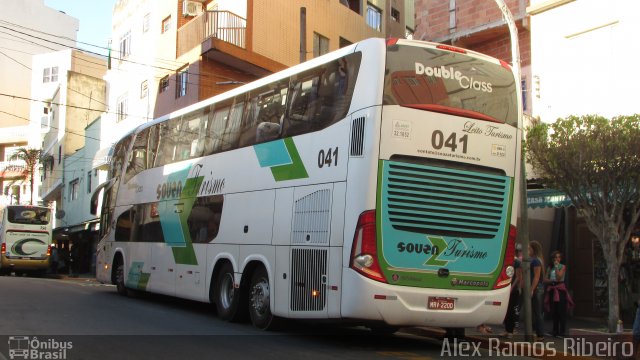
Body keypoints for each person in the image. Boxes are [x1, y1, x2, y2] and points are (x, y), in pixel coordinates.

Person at [544, 250, 573, 337]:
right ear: (553, 258)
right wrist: (552, 280)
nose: (557, 259)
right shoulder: (550, 268)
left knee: (561, 311)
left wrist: (556, 267)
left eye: (559, 257)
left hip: (560, 289)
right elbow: (545, 279)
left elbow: (559, 277)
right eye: (556, 257)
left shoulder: (562, 267)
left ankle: (562, 331)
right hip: (553, 287)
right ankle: (555, 330)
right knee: (554, 311)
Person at [502, 244, 523, 338]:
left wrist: (511, 287)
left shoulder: (517, 262)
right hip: (506, 288)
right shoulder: (507, 261)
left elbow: (518, 277)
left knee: (511, 310)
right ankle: (507, 330)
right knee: (506, 310)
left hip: (513, 290)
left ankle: (510, 331)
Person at [529, 241, 545, 341]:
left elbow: (536, 277)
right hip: (538, 288)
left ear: (534, 249)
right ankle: (537, 333)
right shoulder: (537, 260)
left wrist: (531, 289)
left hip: (537, 288)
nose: (528, 250)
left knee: (537, 311)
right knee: (536, 311)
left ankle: (540, 334)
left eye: (529, 248)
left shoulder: (536, 261)